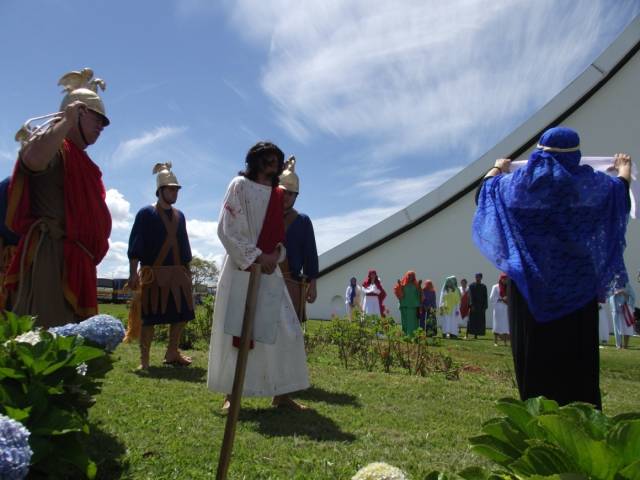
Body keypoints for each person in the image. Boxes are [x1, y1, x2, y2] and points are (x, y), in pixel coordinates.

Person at [473, 126, 632, 409]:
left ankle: (536, 415)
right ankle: (580, 417)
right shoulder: (590, 187)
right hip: (577, 288)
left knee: (534, 356)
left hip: (530, 287)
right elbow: (620, 193)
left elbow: (484, 192)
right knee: (577, 357)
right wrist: (623, 169)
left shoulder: (518, 187)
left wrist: (497, 167)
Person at [4, 68, 111, 327]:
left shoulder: (83, 161)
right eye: (96, 118)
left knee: (74, 343)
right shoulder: (54, 145)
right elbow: (31, 160)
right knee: (47, 334)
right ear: (76, 113)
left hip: (79, 259)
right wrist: (64, 122)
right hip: (51, 255)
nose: (101, 126)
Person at [207, 141, 309, 412]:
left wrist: (275, 255)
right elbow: (226, 229)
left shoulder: (276, 194)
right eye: (267, 157)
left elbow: (278, 238)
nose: (273, 162)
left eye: (276, 158)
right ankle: (232, 394)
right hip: (241, 269)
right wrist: (255, 256)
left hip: (269, 270)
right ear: (255, 160)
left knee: (287, 331)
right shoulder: (238, 186)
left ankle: (282, 393)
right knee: (237, 333)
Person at [128, 163, 195, 369]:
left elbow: (184, 245)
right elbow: (136, 245)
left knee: (183, 313)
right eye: (170, 189)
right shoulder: (145, 214)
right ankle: (144, 361)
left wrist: (187, 272)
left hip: (177, 274)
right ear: (160, 190)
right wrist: (133, 274)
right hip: (153, 274)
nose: (174, 192)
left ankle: (172, 352)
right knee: (149, 318)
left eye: (176, 189)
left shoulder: (180, 216)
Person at [278, 156, 319, 323]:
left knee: (289, 337)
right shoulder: (266, 216)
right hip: (265, 282)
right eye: (283, 193)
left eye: (290, 193)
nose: (286, 197)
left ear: (296, 196)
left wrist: (313, 284)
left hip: (291, 283)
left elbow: (310, 254)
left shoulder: (302, 221)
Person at [609, 280, 636, 349]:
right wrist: (615, 292)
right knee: (617, 328)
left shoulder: (626, 284)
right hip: (615, 309)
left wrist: (624, 294)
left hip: (625, 309)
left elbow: (633, 296)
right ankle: (619, 345)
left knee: (627, 328)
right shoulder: (611, 283)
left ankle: (625, 346)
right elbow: (608, 294)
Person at [394, 271, 421, 335]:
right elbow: (399, 294)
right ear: (407, 276)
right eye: (409, 276)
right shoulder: (403, 285)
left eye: (412, 276)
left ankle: (413, 336)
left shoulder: (416, 285)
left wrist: (419, 286)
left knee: (413, 322)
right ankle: (406, 335)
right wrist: (399, 285)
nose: (410, 277)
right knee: (405, 321)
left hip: (414, 306)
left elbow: (419, 295)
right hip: (404, 306)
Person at [489, 273, 510, 346]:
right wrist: (501, 299)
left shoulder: (508, 287)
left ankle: (505, 342)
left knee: (505, 325)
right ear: (501, 279)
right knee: (497, 325)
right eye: (504, 279)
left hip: (506, 308)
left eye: (506, 279)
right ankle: (495, 342)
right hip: (498, 308)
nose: (505, 280)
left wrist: (507, 299)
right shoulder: (495, 287)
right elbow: (492, 298)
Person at [467, 273, 488, 339]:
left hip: (481, 306)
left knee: (480, 320)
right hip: (473, 305)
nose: (477, 278)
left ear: (481, 278)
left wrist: (485, 306)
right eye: (476, 277)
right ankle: (469, 333)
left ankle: (478, 334)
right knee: (472, 320)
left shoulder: (484, 286)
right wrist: (471, 305)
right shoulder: (471, 286)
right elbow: (470, 296)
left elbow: (485, 297)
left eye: (479, 277)